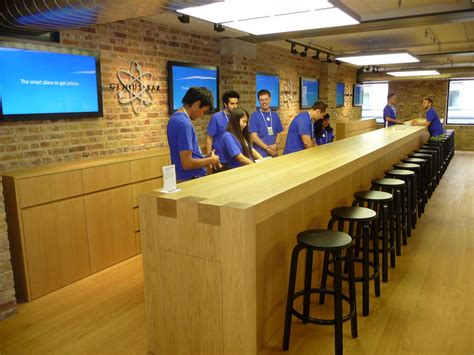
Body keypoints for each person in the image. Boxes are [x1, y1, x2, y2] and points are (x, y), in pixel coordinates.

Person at [167, 87, 220, 181]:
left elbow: (184, 156)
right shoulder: (184, 123)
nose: (202, 115)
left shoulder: (174, 118)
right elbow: (187, 163)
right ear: (197, 104)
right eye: (203, 111)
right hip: (191, 178)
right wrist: (211, 160)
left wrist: (204, 157)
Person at [206, 90, 240, 171]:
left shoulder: (238, 117)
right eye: (232, 103)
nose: (235, 106)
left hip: (236, 158)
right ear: (225, 104)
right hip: (221, 160)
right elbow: (209, 138)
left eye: (236, 103)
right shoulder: (216, 117)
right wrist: (209, 158)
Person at [249, 89, 284, 158]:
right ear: (258, 101)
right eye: (261, 100)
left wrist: (275, 145)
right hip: (260, 155)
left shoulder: (275, 115)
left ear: (270, 99)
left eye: (266, 99)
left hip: (274, 152)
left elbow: (279, 133)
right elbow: (254, 137)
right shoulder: (254, 116)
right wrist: (267, 149)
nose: (264, 102)